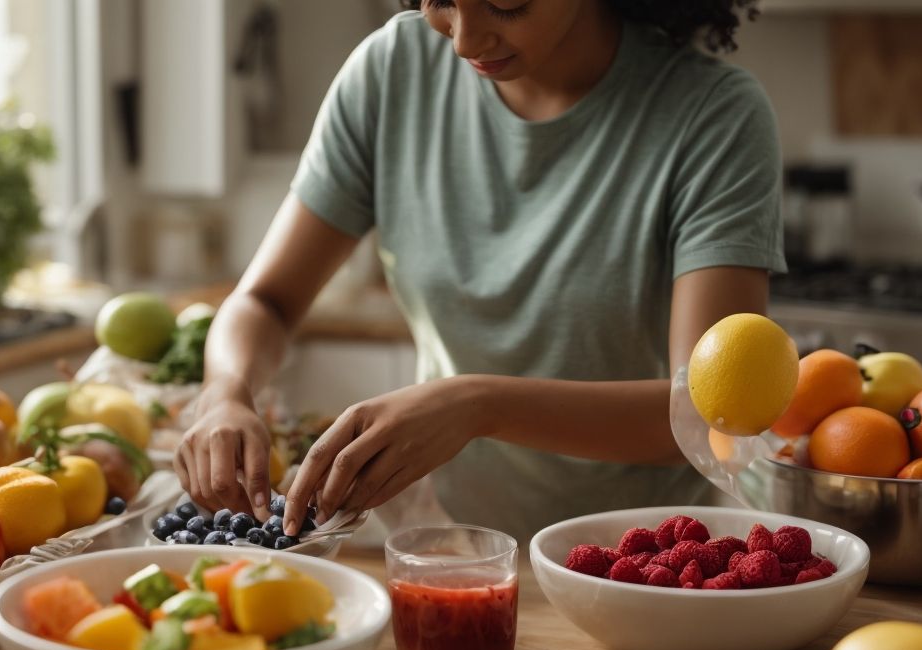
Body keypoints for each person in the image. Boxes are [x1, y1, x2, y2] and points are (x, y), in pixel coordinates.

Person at [175, 0, 783, 542]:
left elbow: (708, 416)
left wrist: (476, 405)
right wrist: (226, 390)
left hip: (642, 562)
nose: (464, 40)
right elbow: (265, 303)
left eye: (507, 4)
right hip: (450, 543)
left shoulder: (713, 118)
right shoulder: (392, 72)